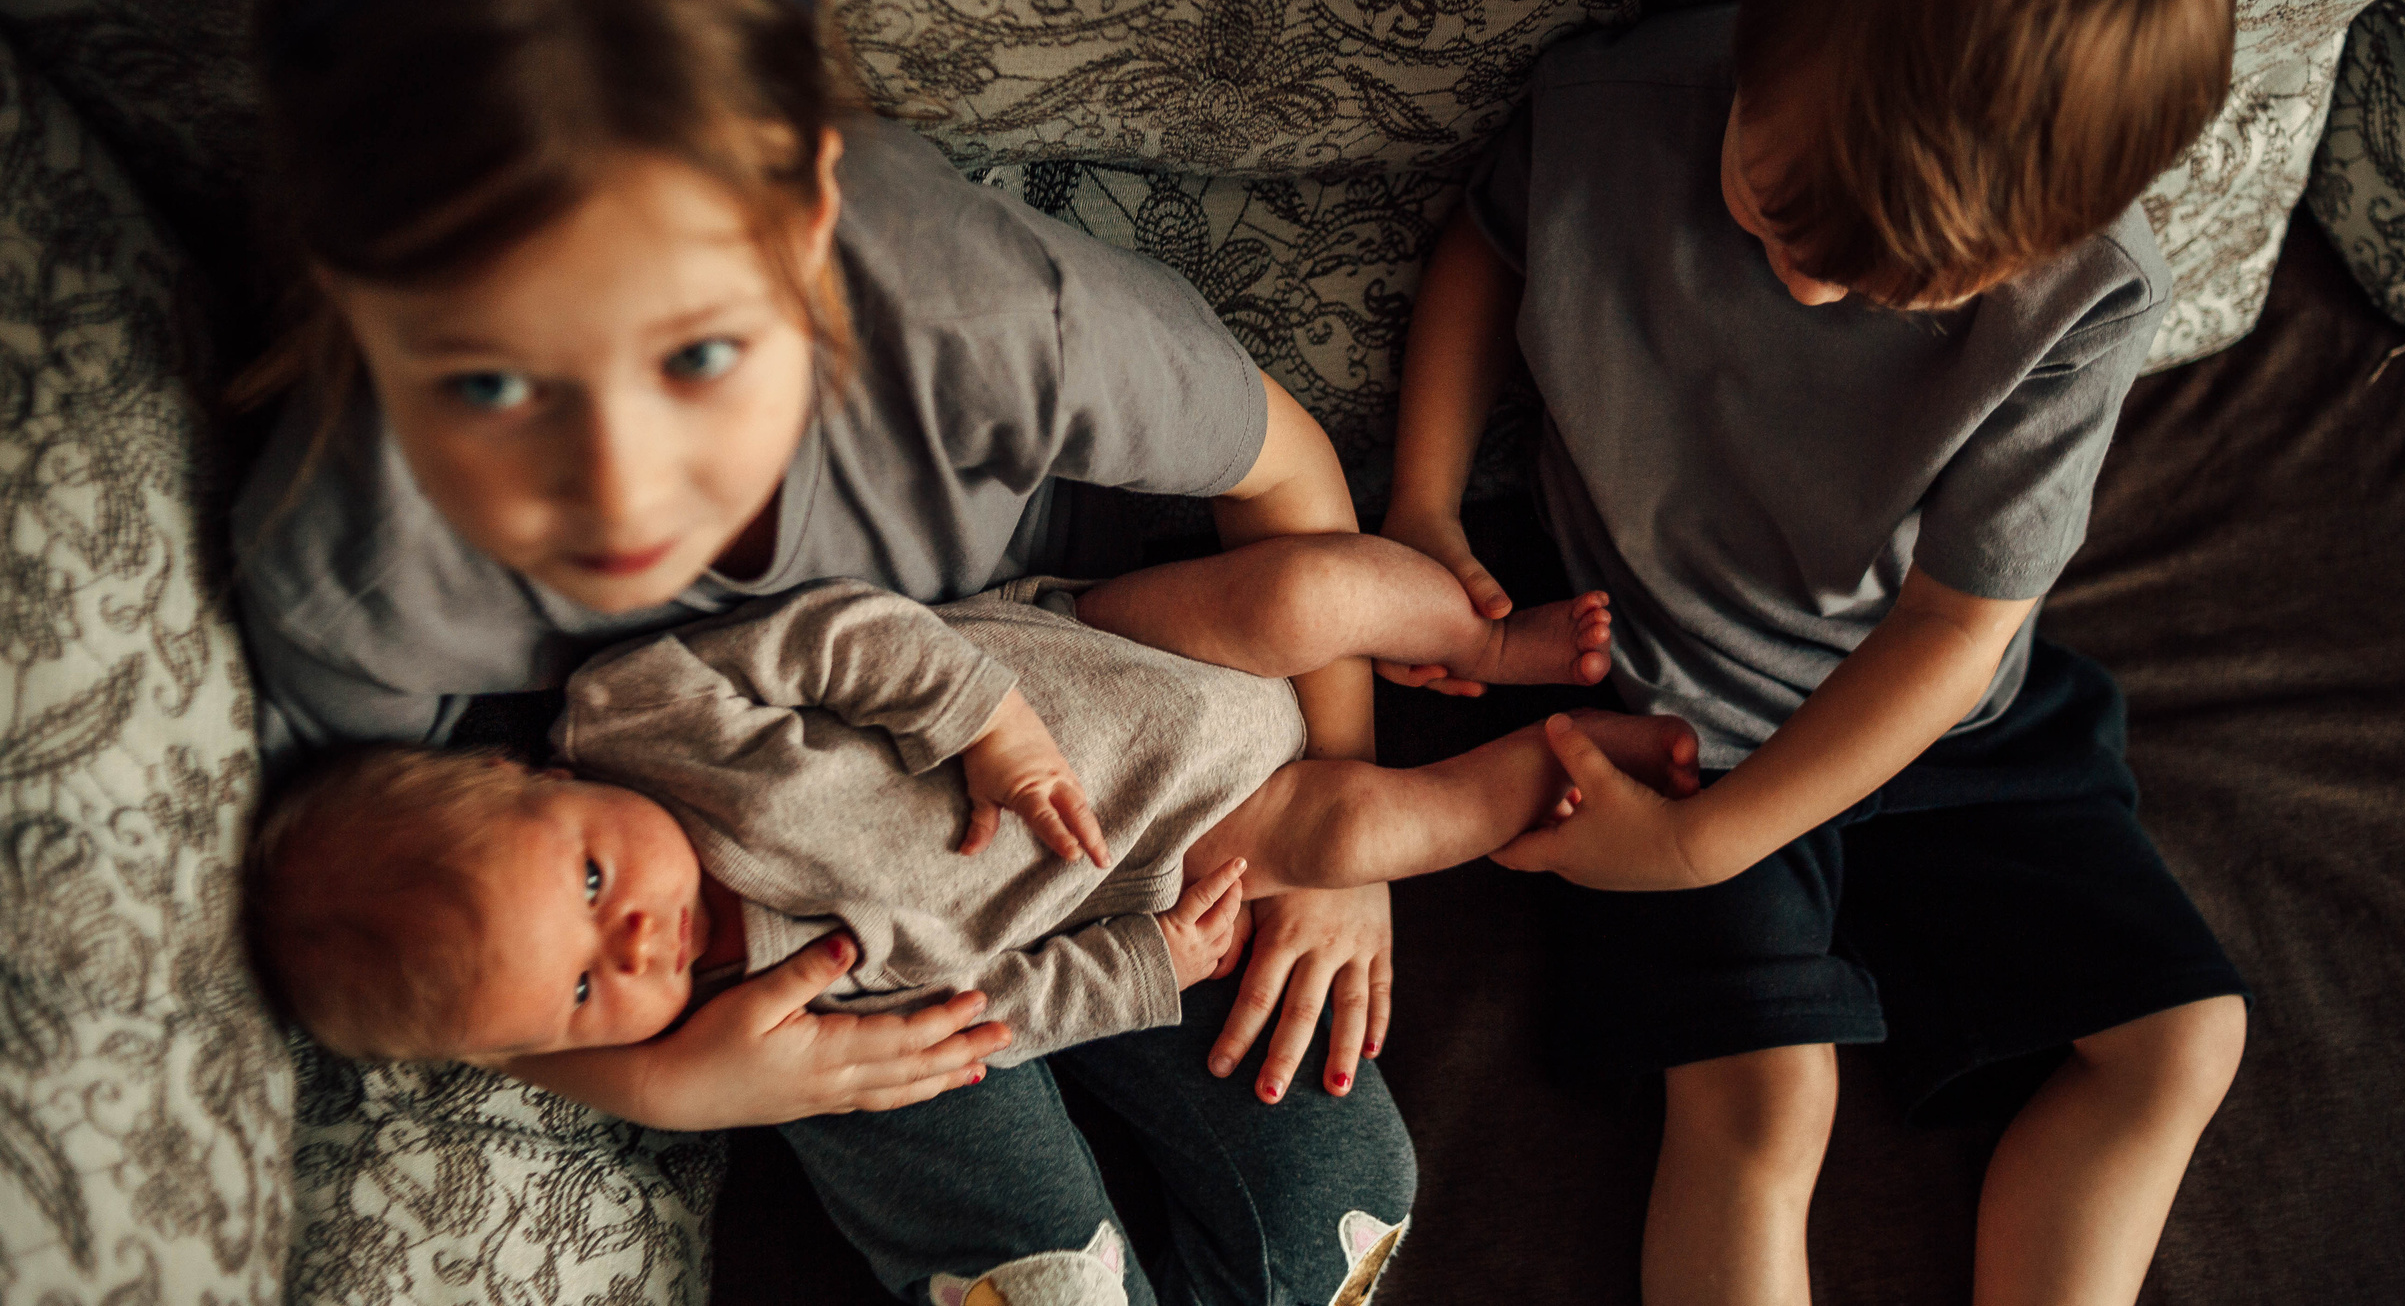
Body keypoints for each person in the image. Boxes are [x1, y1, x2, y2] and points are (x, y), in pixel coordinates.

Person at [232, 0, 1404, 1306]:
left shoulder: (980, 322)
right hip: (794, 920)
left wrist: (1342, 835)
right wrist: (656, 1083)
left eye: (698, 357)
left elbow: (1289, 468)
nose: (617, 494)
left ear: (802, 227)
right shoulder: (353, 580)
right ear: (360, 312)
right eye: (491, 387)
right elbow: (403, 949)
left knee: (1339, 1211)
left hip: (1100, 754)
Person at [1381, 0, 2254, 1306]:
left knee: (2187, 1041)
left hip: (1942, 718)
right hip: (1675, 707)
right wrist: (1424, 507)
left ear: (2044, 236)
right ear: (1764, 28)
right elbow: (1485, 251)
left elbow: (1956, 631)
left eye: (1898, 284)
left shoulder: (2089, 297)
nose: (1807, 285)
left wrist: (1706, 851)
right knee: (1766, 1101)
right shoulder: (1616, 108)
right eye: (1779, 213)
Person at [250, 536, 1664, 1078]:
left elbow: (838, 638)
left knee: (1305, 595)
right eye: (576, 992)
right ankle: (1538, 777)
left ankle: (1482, 643)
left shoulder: (639, 718)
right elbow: (984, 1024)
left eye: (586, 884)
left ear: (531, 779)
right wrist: (1143, 968)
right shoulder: (762, 1021)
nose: (630, 948)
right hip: (1171, 845)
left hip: (1098, 656)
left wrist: (983, 727)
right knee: (1355, 836)